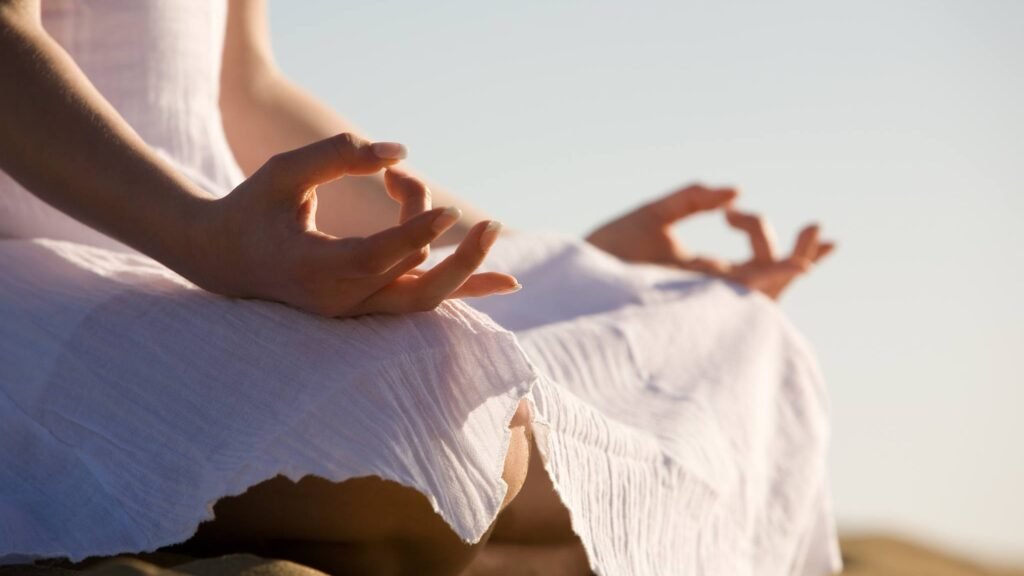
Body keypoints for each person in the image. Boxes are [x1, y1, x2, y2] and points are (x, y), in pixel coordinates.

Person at [0, 1, 838, 575]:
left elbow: (243, 91)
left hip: (230, 242)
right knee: (435, 417)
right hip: (49, 265)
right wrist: (202, 237)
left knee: (738, 336)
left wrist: (531, 260)